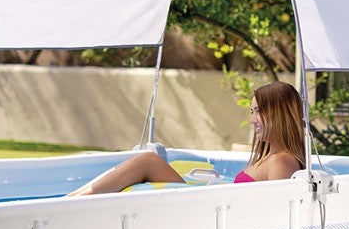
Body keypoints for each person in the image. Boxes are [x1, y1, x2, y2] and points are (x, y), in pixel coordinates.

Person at [69, 80, 305, 196]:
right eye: (251, 112)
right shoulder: (272, 156)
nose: (252, 119)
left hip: (216, 215)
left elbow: (278, 215)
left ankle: (72, 201)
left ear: (280, 114)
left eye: (259, 111)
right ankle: (74, 198)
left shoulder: (281, 161)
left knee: (148, 162)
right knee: (147, 161)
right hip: (215, 207)